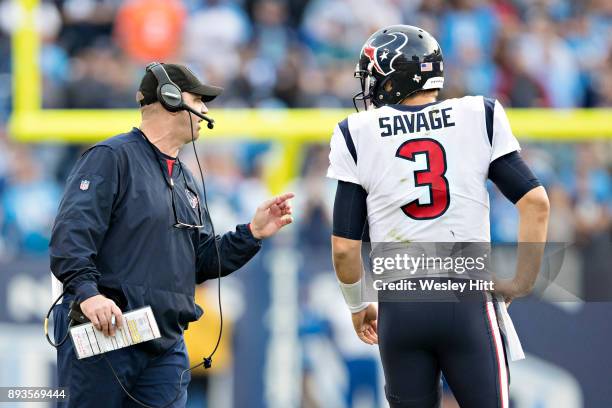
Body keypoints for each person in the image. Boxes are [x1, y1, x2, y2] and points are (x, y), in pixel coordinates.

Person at [328, 25, 550, 408]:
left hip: (400, 306)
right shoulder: (478, 114)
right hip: (466, 296)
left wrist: (356, 307)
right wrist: (521, 281)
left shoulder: (357, 132)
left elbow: (345, 250)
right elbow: (536, 203)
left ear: (393, 77)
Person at [49, 62, 294, 407]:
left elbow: (202, 261)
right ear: (170, 98)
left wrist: (251, 233)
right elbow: (70, 236)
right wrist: (89, 294)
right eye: (199, 100)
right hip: (106, 331)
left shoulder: (187, 179)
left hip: (163, 342)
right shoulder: (111, 157)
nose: (206, 110)